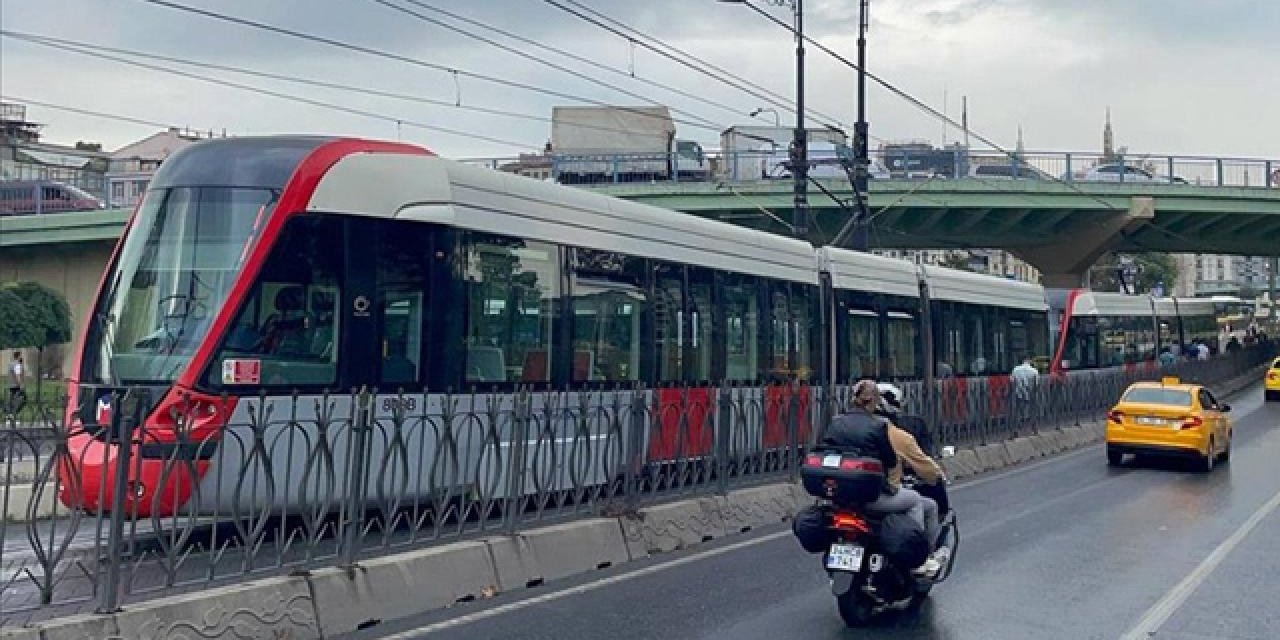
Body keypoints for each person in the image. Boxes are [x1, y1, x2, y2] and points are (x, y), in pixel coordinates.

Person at [821, 380, 943, 577]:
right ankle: (917, 560)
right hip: (873, 497)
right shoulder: (881, 429)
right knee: (916, 501)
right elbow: (890, 460)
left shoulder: (837, 423)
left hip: (842, 496)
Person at [876, 383, 949, 517]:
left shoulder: (847, 429)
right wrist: (937, 476)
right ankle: (915, 532)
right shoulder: (897, 435)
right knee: (921, 503)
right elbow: (926, 467)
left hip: (848, 495)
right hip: (880, 494)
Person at [6, 351, 24, 417]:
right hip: (16, 385)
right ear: (18, 356)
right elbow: (17, 375)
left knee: (11, 400)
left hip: (11, 385)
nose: (21, 357)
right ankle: (14, 414)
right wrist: (21, 385)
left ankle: (9, 415)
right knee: (21, 399)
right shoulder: (17, 365)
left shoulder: (10, 364)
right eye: (21, 355)